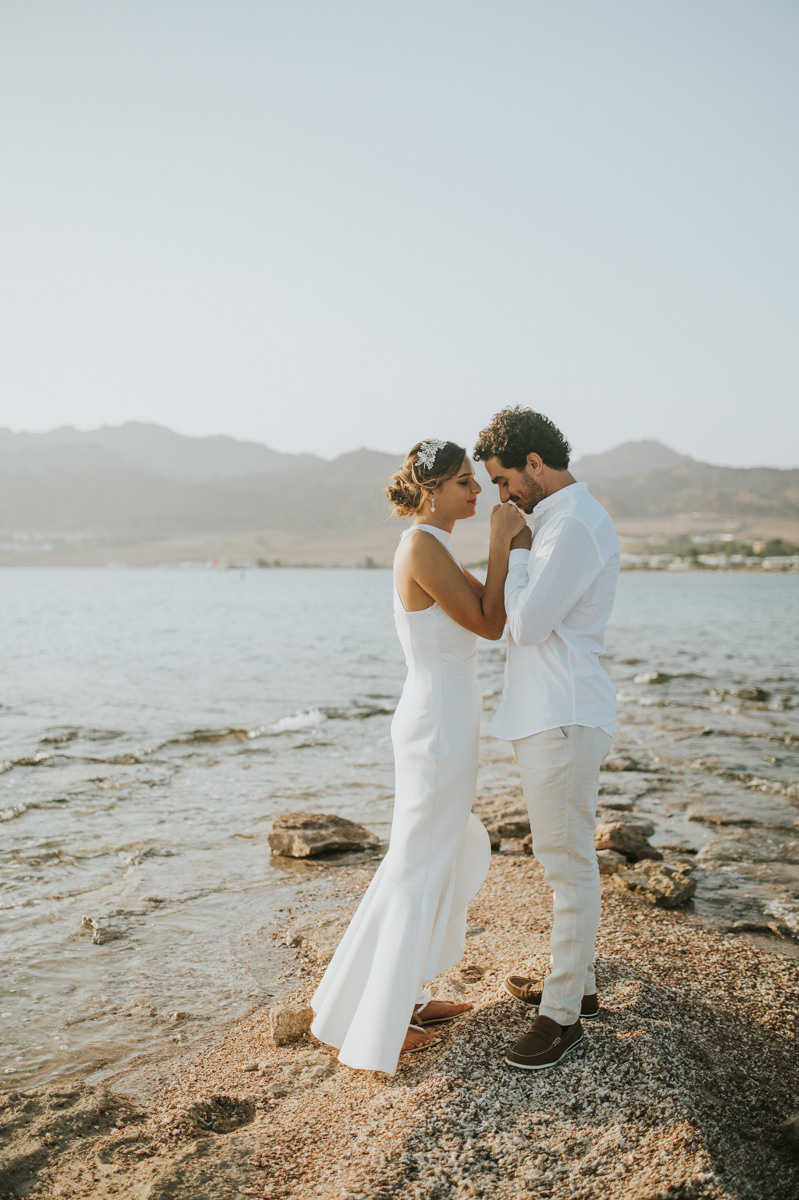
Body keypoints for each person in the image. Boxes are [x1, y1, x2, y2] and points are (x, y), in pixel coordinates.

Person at [311, 438, 526, 1074]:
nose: (478, 491)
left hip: (447, 719)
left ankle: (393, 997)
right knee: (418, 864)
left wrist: (508, 547)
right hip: (435, 724)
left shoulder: (434, 544)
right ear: (431, 489)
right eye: (465, 481)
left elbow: (493, 610)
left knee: (429, 854)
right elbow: (489, 625)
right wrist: (499, 538)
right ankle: (382, 1021)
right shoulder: (421, 545)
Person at [472, 407, 620, 1071]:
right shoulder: (559, 521)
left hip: (561, 714)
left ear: (535, 464)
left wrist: (512, 545)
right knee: (558, 859)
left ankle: (560, 1017)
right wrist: (522, 541)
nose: (501, 496)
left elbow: (525, 625)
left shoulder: (572, 526)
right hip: (550, 712)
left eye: (504, 480)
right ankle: (578, 985)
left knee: (566, 866)